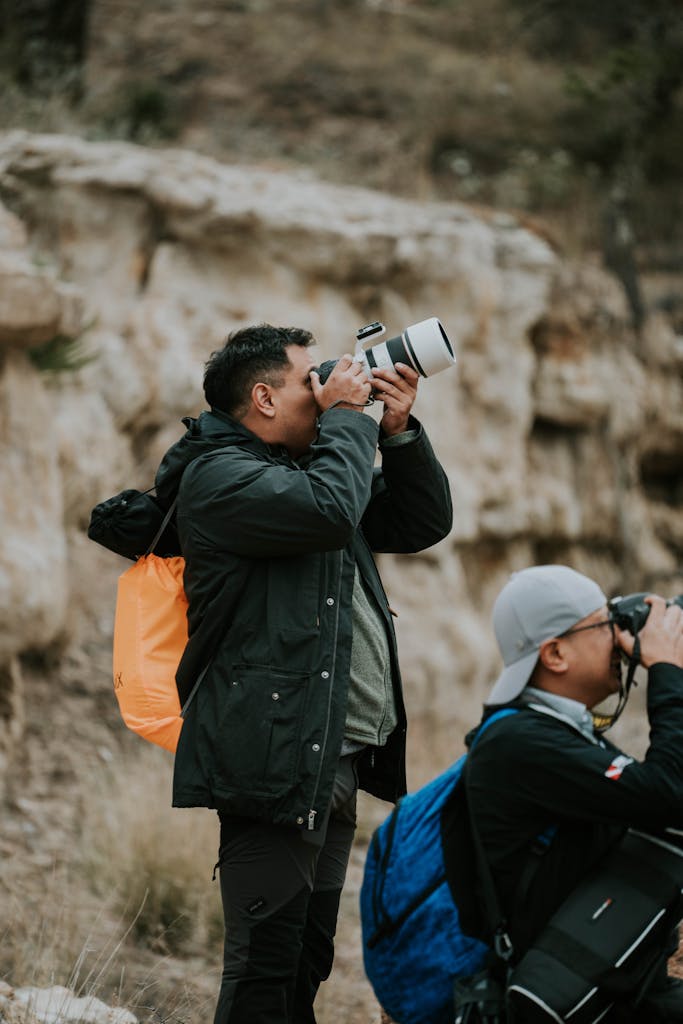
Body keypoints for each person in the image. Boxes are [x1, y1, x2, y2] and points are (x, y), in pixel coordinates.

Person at [152, 323, 453, 1024]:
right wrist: (350, 419)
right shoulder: (221, 478)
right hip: (272, 756)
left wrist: (399, 431)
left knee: (305, 964)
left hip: (330, 752)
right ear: (261, 397)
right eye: (305, 381)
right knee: (263, 968)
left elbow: (420, 521)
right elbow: (326, 511)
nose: (323, 391)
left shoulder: (310, 470)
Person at [441, 564, 683, 1023]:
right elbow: (669, 793)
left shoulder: (553, 733)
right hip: (564, 993)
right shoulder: (521, 743)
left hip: (601, 975)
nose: (619, 636)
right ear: (554, 654)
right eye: (605, 624)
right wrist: (668, 670)